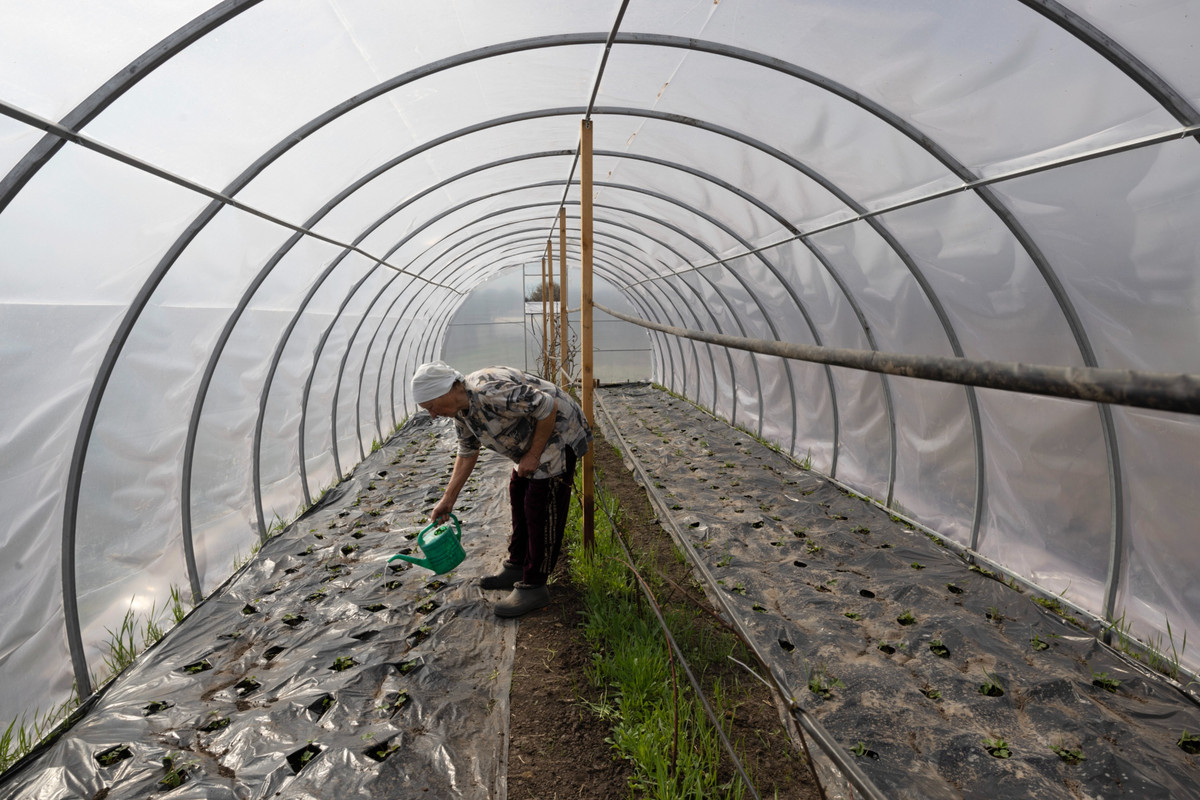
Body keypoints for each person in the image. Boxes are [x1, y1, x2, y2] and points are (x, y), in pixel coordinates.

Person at [411, 362, 592, 617]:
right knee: (518, 492)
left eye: (430, 407)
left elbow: (547, 406)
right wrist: (448, 500)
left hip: (559, 432)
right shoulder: (461, 411)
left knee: (539, 506)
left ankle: (535, 585)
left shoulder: (489, 393)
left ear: (446, 390)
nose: (431, 414)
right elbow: (467, 452)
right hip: (535, 438)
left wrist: (533, 455)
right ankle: (518, 565)